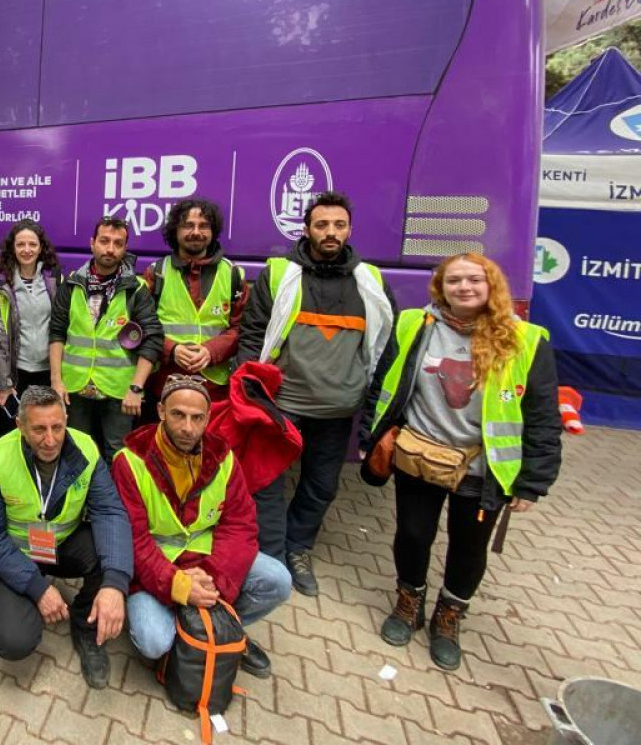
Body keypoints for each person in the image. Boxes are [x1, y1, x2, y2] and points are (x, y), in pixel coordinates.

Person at [361, 254, 561, 670]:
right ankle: (408, 603)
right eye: (454, 281)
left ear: (492, 285)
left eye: (474, 280)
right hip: (420, 455)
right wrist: (372, 434)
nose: (464, 288)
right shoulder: (415, 323)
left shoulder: (526, 341)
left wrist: (532, 481)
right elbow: (385, 381)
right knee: (413, 535)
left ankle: (449, 616)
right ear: (440, 286)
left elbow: (543, 417)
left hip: (482, 470)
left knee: (469, 547)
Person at [236, 191, 396, 597]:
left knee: (322, 485)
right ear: (306, 229)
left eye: (338, 225)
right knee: (267, 481)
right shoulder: (279, 275)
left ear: (349, 230)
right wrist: (253, 394)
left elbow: (385, 346)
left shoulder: (371, 282)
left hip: (339, 409)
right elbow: (252, 335)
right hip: (282, 404)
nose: (330, 232)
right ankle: (271, 555)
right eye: (322, 225)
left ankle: (297, 548)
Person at [111, 375, 292, 678]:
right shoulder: (129, 462)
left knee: (279, 580)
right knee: (153, 641)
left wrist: (212, 580)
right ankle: (198, 637)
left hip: (209, 564)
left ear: (208, 417)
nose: (187, 427)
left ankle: (222, 632)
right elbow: (133, 542)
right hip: (152, 572)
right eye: (178, 414)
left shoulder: (225, 459)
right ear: (160, 411)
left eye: (197, 418)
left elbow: (241, 526)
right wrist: (179, 585)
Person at [0, 387, 131, 688]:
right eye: (38, 429)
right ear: (20, 427)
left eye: (57, 427)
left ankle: (85, 628)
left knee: (110, 551)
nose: (50, 440)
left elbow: (110, 513)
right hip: (16, 550)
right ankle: (26, 590)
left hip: (63, 542)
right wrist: (37, 589)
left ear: (66, 420)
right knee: (14, 642)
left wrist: (115, 584)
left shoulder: (86, 448)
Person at [50, 216, 163, 456]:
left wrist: (136, 388)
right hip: (75, 388)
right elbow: (57, 332)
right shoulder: (71, 284)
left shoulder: (136, 288)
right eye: (104, 241)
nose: (110, 249)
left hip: (119, 392)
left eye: (118, 243)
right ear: (92, 243)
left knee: (118, 454)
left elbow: (153, 339)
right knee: (78, 452)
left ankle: (115, 496)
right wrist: (56, 381)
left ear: (125, 248)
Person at [143, 199, 245, 404]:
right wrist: (171, 350)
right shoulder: (156, 273)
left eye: (203, 225)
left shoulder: (233, 274)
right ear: (175, 231)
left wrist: (211, 350)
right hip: (164, 384)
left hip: (214, 389)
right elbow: (141, 326)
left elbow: (241, 328)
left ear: (213, 231)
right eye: (188, 225)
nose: (196, 232)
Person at [0, 219, 61, 432]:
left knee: (45, 432)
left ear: (41, 247)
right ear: (12, 248)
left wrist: (59, 377)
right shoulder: (0, 284)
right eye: (21, 244)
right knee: (15, 433)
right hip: (16, 373)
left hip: (48, 371)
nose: (27, 250)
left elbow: (61, 328)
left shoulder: (54, 279)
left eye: (32, 244)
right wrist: (3, 383)